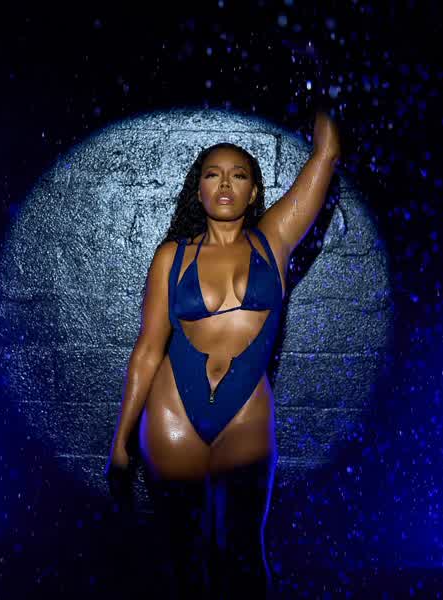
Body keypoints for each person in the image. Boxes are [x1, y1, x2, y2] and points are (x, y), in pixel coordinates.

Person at [104, 111, 341, 598]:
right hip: (172, 411)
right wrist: (120, 442)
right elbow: (147, 350)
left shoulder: (273, 241)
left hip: (246, 412)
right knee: (184, 557)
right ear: (198, 191)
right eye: (213, 174)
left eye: (239, 175)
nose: (226, 184)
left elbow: (327, 153)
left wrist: (324, 85)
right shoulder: (171, 255)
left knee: (245, 553)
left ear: (254, 192)